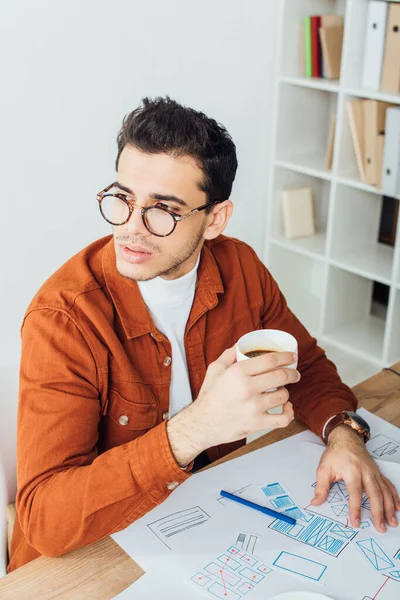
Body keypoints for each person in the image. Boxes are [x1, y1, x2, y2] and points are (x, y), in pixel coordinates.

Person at [8, 97, 399, 572]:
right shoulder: (64, 318)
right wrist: (194, 430)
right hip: (90, 555)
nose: (132, 228)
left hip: (204, 524)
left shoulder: (240, 268)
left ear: (215, 219)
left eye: (163, 210)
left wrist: (344, 434)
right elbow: (43, 520)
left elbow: (307, 367)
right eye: (124, 199)